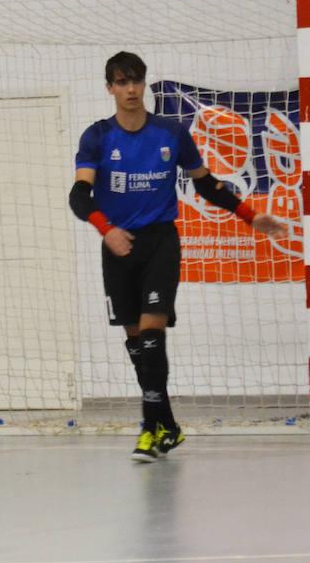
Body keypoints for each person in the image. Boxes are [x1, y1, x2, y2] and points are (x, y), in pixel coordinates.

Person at [69, 51, 287, 461]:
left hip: (160, 242)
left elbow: (206, 184)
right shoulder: (97, 137)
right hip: (117, 245)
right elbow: (79, 195)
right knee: (136, 343)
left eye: (136, 80)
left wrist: (249, 215)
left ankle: (149, 430)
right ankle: (167, 425)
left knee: (152, 335)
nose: (130, 89)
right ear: (110, 88)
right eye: (121, 82)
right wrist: (106, 229)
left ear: (144, 83)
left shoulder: (171, 132)